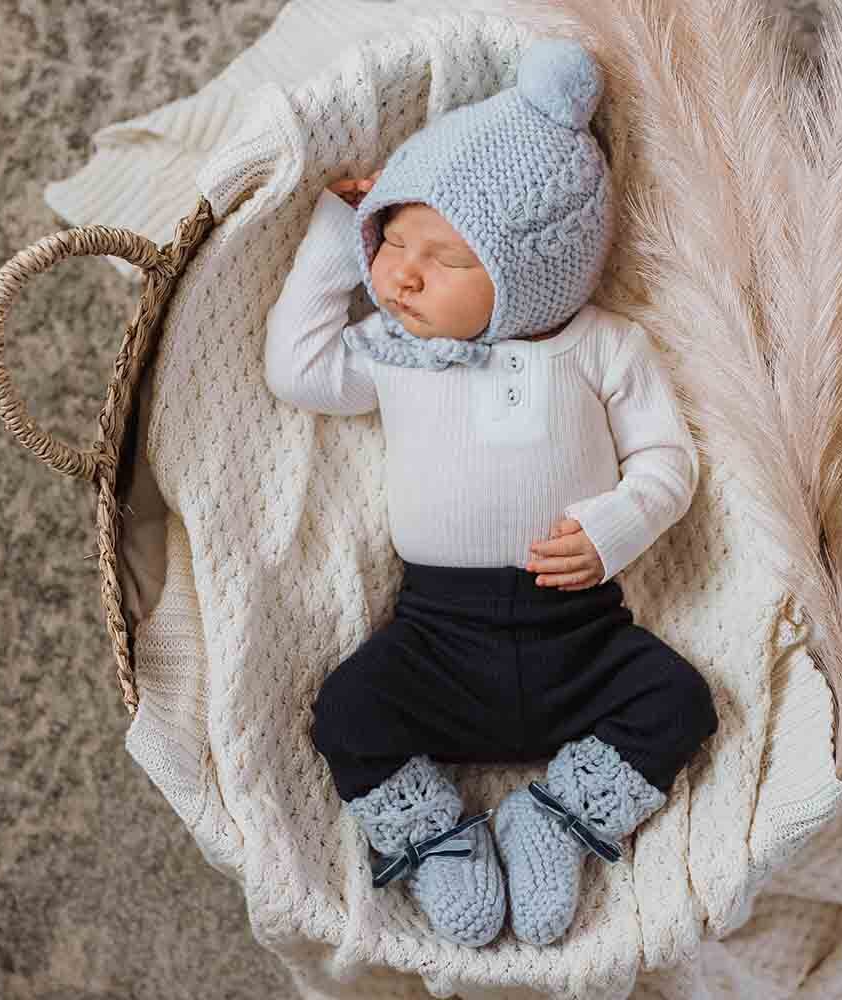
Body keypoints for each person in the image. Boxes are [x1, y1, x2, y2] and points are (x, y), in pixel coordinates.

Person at [263, 36, 718, 950]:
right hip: (438, 636)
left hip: (580, 630)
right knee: (347, 712)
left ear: (530, 270)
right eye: (390, 241)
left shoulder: (601, 345)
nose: (400, 272)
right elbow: (297, 369)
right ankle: (438, 838)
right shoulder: (396, 355)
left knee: (682, 702)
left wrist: (613, 525)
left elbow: (669, 461)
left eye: (440, 256)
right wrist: (330, 238)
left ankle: (555, 822)